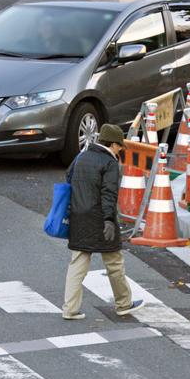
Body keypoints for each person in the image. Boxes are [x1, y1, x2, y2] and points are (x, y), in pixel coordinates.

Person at [62, 124, 143, 320]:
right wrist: (108, 219)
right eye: (119, 146)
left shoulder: (82, 156)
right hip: (100, 218)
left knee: (78, 262)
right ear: (113, 144)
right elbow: (109, 194)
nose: (121, 150)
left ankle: (70, 309)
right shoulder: (109, 163)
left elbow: (68, 178)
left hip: (78, 216)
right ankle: (123, 303)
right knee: (114, 262)